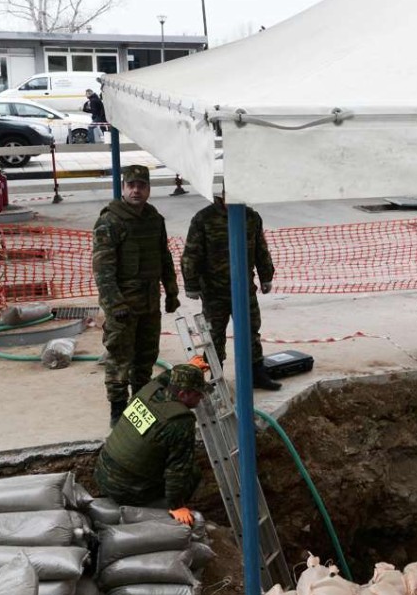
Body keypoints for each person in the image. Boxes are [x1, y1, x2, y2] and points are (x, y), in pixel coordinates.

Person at [93, 164, 180, 426]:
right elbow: (102, 268)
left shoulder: (154, 219)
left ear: (148, 188)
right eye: (131, 185)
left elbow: (164, 258)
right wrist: (115, 303)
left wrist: (172, 292)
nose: (136, 190)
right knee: (119, 359)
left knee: (145, 359)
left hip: (150, 303)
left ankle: (140, 406)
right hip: (123, 306)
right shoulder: (110, 220)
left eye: (141, 185)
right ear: (123, 188)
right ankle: (118, 412)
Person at [180, 194, 281, 391]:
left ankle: (256, 373)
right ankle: (214, 379)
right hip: (214, 292)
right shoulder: (204, 218)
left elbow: (260, 249)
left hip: (244, 290)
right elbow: (192, 253)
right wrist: (191, 283)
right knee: (214, 336)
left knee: (251, 331)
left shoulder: (251, 217)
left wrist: (266, 275)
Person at [94, 364, 206, 526]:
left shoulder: (149, 391)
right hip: (127, 490)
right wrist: (177, 505)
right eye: (197, 394)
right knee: (193, 472)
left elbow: (165, 377)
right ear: (183, 394)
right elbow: (178, 470)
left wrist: (189, 368)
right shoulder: (180, 421)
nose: (200, 398)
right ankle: (162, 513)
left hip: (102, 472)